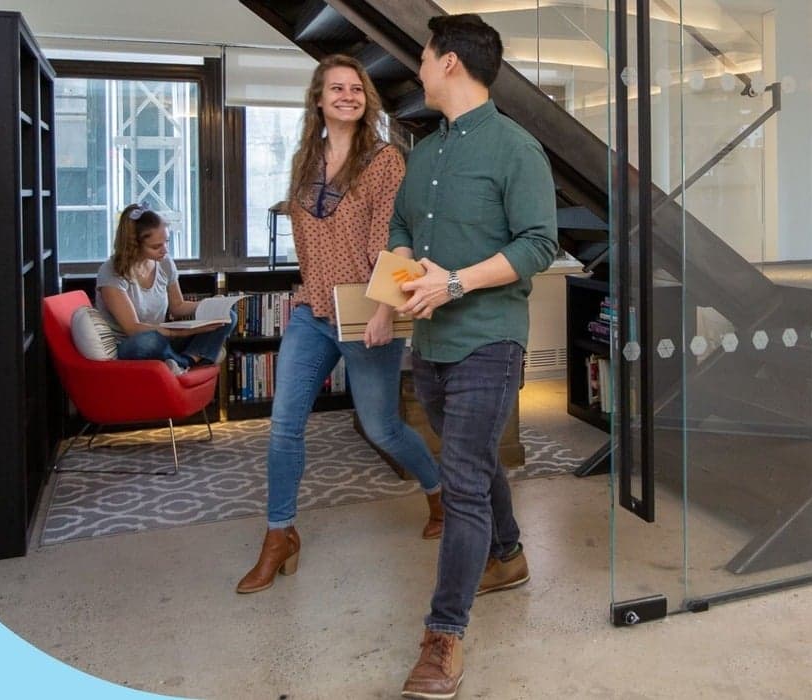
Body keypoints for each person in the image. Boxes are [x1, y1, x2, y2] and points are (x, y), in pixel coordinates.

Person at [389, 15, 558, 699]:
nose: (419, 67)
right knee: (475, 458)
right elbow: (403, 226)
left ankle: (444, 637)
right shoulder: (424, 153)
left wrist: (456, 282)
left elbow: (539, 243)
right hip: (430, 342)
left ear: (450, 62)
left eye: (424, 56)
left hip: (490, 337)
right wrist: (399, 275)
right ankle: (509, 554)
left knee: (460, 477)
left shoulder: (518, 149)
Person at [235, 55, 446, 595]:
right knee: (284, 423)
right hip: (312, 310)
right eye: (336, 88)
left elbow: (394, 238)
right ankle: (279, 534)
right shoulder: (305, 159)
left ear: (366, 99)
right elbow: (307, 243)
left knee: (382, 427)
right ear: (319, 98)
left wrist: (384, 310)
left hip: (364, 311)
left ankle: (439, 492)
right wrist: (310, 292)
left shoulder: (384, 161)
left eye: (356, 88)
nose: (347, 95)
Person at [95, 203, 234, 375]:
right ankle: (189, 359)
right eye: (156, 246)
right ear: (134, 245)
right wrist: (177, 333)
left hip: (164, 337)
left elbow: (178, 306)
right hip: (132, 343)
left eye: (166, 242)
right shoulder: (111, 272)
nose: (165, 250)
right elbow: (132, 328)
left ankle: (184, 361)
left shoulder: (165, 263)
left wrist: (209, 304)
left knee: (228, 316)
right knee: (149, 342)